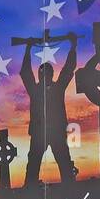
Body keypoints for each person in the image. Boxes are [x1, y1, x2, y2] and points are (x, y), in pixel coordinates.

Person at [21, 36, 78, 185]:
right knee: (34, 165)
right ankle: (30, 191)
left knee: (64, 164)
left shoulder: (55, 88)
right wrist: (27, 49)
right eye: (43, 73)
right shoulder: (36, 90)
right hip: (40, 132)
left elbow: (68, 69)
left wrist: (73, 47)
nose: (45, 75)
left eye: (46, 73)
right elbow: (25, 73)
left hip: (55, 131)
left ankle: (69, 189)